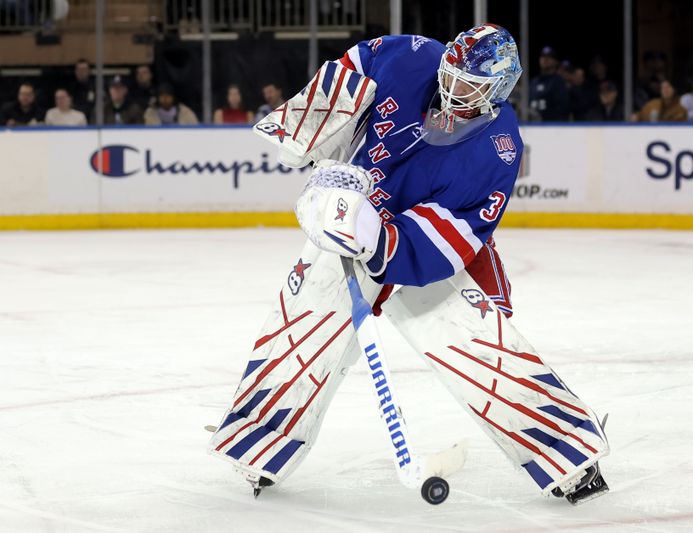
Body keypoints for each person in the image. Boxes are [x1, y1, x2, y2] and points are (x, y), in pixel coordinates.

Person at [210, 24, 609, 505]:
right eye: (451, 75)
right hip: (345, 218)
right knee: (303, 333)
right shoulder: (412, 57)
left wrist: (373, 236)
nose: (452, 89)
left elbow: (454, 232)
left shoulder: (498, 147)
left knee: (477, 349)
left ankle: (569, 456)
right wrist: (319, 151)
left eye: (469, 86)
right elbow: (351, 71)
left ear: (497, 91)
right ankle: (257, 447)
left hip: (422, 253)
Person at [529, 46, 569, 121]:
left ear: (555, 61)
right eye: (543, 56)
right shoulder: (533, 82)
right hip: (531, 125)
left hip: (551, 126)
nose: (545, 59)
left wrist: (543, 116)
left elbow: (562, 109)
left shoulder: (558, 82)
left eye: (549, 57)